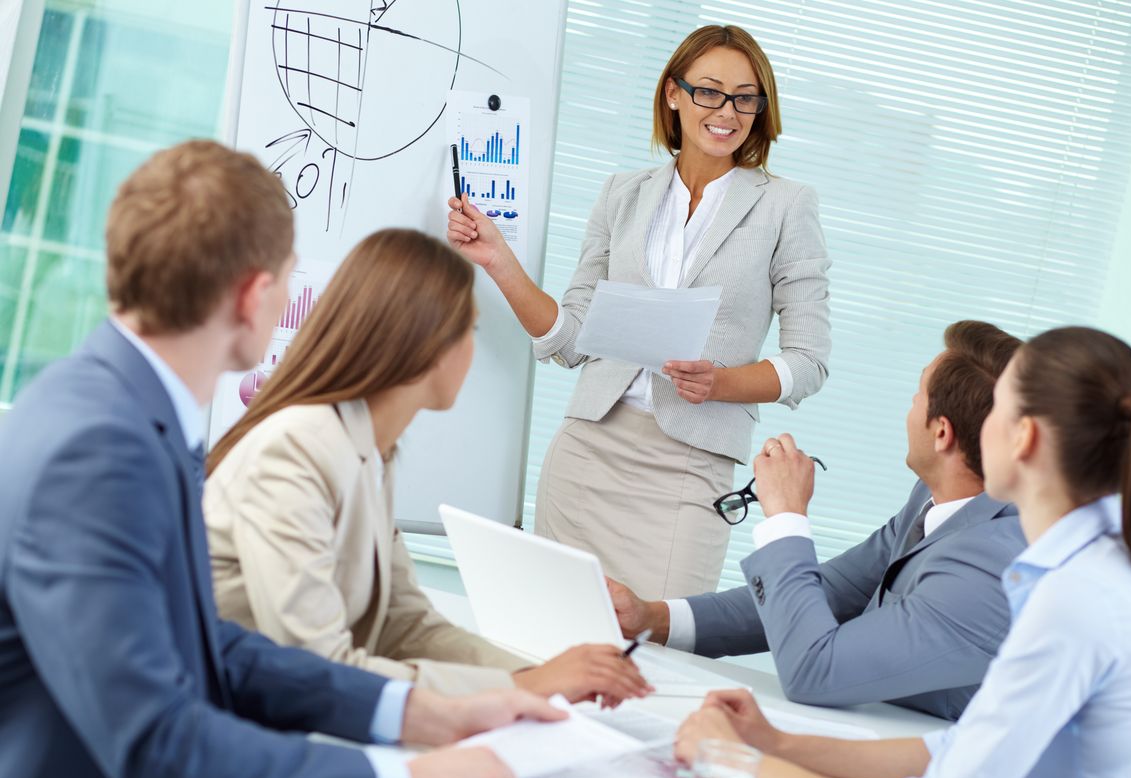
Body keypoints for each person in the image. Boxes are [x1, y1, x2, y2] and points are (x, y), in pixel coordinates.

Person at [0, 141, 565, 778]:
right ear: (249, 295)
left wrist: (422, 712)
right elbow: (154, 742)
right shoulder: (101, 445)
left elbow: (206, 641)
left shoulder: (124, 405)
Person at [674, 326, 1131, 778]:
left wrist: (738, 763)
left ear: (1023, 439)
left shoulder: (1071, 599)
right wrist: (778, 745)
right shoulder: (1088, 569)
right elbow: (960, 750)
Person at [447, 25, 832, 600]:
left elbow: (809, 362)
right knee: (547, 628)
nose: (727, 110)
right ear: (673, 94)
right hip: (588, 451)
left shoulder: (786, 205)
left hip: (691, 468)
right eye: (709, 91)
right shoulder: (621, 195)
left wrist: (721, 383)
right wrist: (499, 259)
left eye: (745, 97)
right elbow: (571, 341)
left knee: (654, 655)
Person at [204, 228, 649, 705]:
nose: (472, 351)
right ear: (422, 341)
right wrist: (522, 687)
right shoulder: (294, 451)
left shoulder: (370, 448)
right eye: (470, 331)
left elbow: (405, 623)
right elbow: (319, 666)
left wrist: (545, 676)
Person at [610, 321, 1025, 720]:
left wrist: (787, 515)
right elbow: (835, 590)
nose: (909, 407)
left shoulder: (993, 563)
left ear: (942, 434)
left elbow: (815, 671)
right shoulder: (935, 500)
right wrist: (654, 618)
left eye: (917, 396)